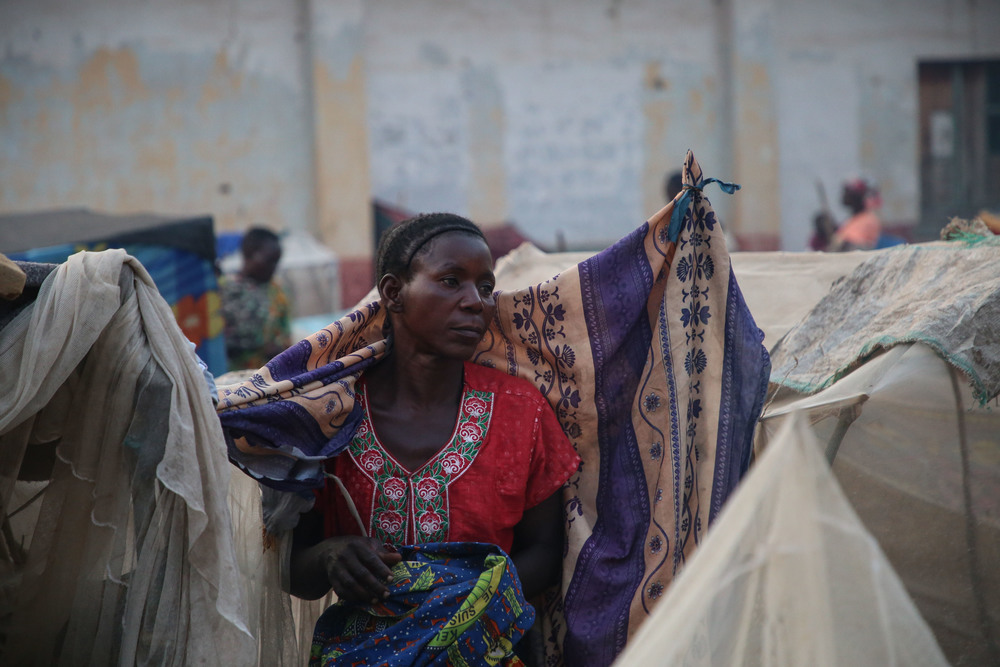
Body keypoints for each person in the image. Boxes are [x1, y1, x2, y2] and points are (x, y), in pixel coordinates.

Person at [288, 214, 581, 664]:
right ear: (393, 293)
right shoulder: (332, 417)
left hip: (487, 648)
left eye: (485, 287)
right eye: (450, 281)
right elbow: (295, 571)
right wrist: (331, 555)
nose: (475, 303)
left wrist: (465, 603)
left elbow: (545, 550)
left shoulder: (520, 410)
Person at [218, 227, 292, 371]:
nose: (273, 267)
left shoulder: (278, 292)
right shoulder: (224, 289)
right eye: (269, 261)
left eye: (276, 262)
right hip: (231, 377)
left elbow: (285, 333)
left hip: (271, 377)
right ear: (248, 254)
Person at [830, 178, 882, 250]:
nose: (846, 197)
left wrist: (843, 244)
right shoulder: (852, 219)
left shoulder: (868, 219)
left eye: (850, 194)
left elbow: (860, 246)